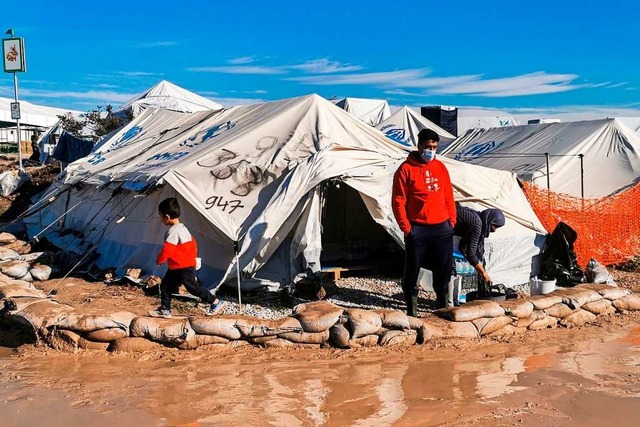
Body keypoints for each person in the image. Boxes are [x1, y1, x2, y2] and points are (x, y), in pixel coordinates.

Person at [392, 128, 456, 314]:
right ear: (419, 146)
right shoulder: (405, 170)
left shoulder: (440, 167)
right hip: (417, 227)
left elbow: (448, 196)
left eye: (434, 147)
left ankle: (442, 307)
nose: (431, 150)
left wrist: (451, 221)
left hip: (442, 226)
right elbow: (398, 201)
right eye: (428, 146)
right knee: (413, 268)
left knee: (443, 268)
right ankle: (412, 310)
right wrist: (406, 228)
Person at [149, 197, 225, 317]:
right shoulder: (183, 229)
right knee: (166, 285)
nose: (160, 218)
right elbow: (194, 244)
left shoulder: (173, 231)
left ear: (167, 217)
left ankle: (215, 302)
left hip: (183, 267)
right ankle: (165, 309)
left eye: (160, 216)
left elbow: (167, 249)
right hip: (177, 266)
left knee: (193, 288)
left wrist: (160, 260)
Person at [454, 204, 505, 294]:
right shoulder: (477, 224)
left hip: (440, 228)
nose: (494, 230)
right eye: (494, 226)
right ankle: (445, 305)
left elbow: (463, 246)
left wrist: (477, 266)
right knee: (449, 269)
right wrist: (483, 272)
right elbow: (471, 254)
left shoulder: (477, 218)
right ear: (489, 221)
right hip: (436, 228)